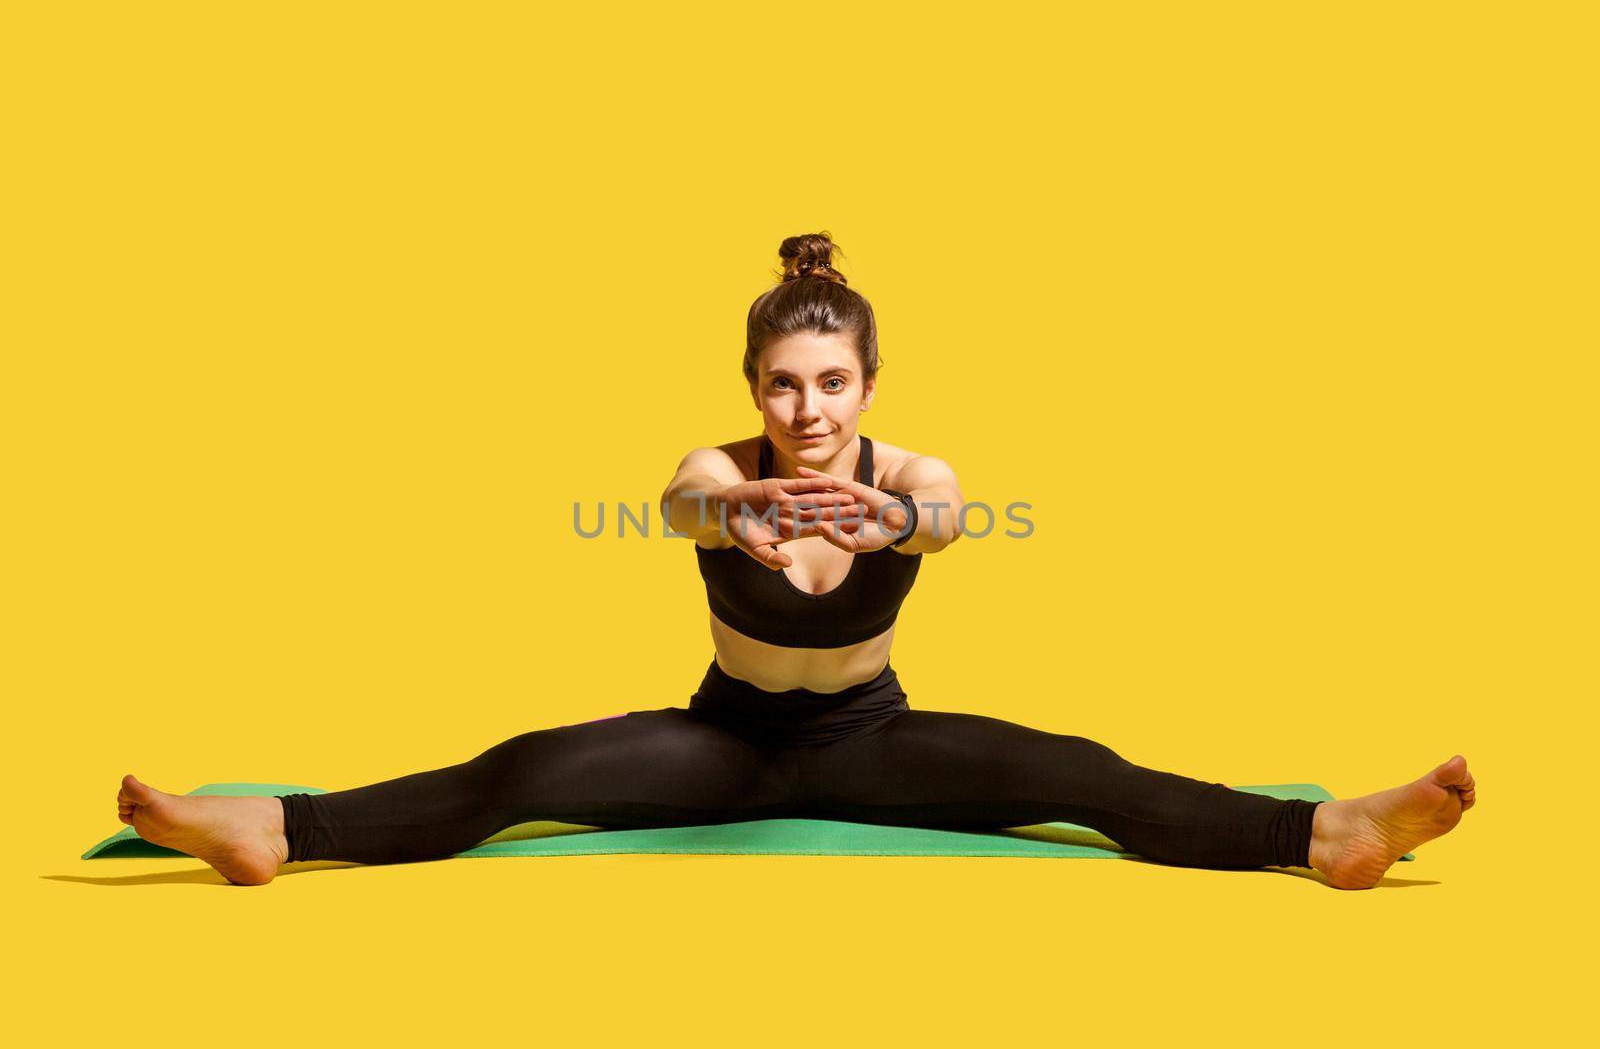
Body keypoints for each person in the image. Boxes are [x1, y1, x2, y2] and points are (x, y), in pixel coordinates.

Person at [114, 232, 1476, 888]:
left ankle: (1330, 832)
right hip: (725, 743)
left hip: (875, 740)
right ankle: (270, 825)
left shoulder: (913, 473)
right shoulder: (721, 468)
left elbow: (946, 517)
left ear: (870, 382)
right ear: (754, 386)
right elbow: (676, 502)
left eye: (832, 382)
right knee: (516, 774)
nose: (807, 410)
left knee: (1083, 775)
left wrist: (889, 521)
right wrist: (735, 518)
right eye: (782, 384)